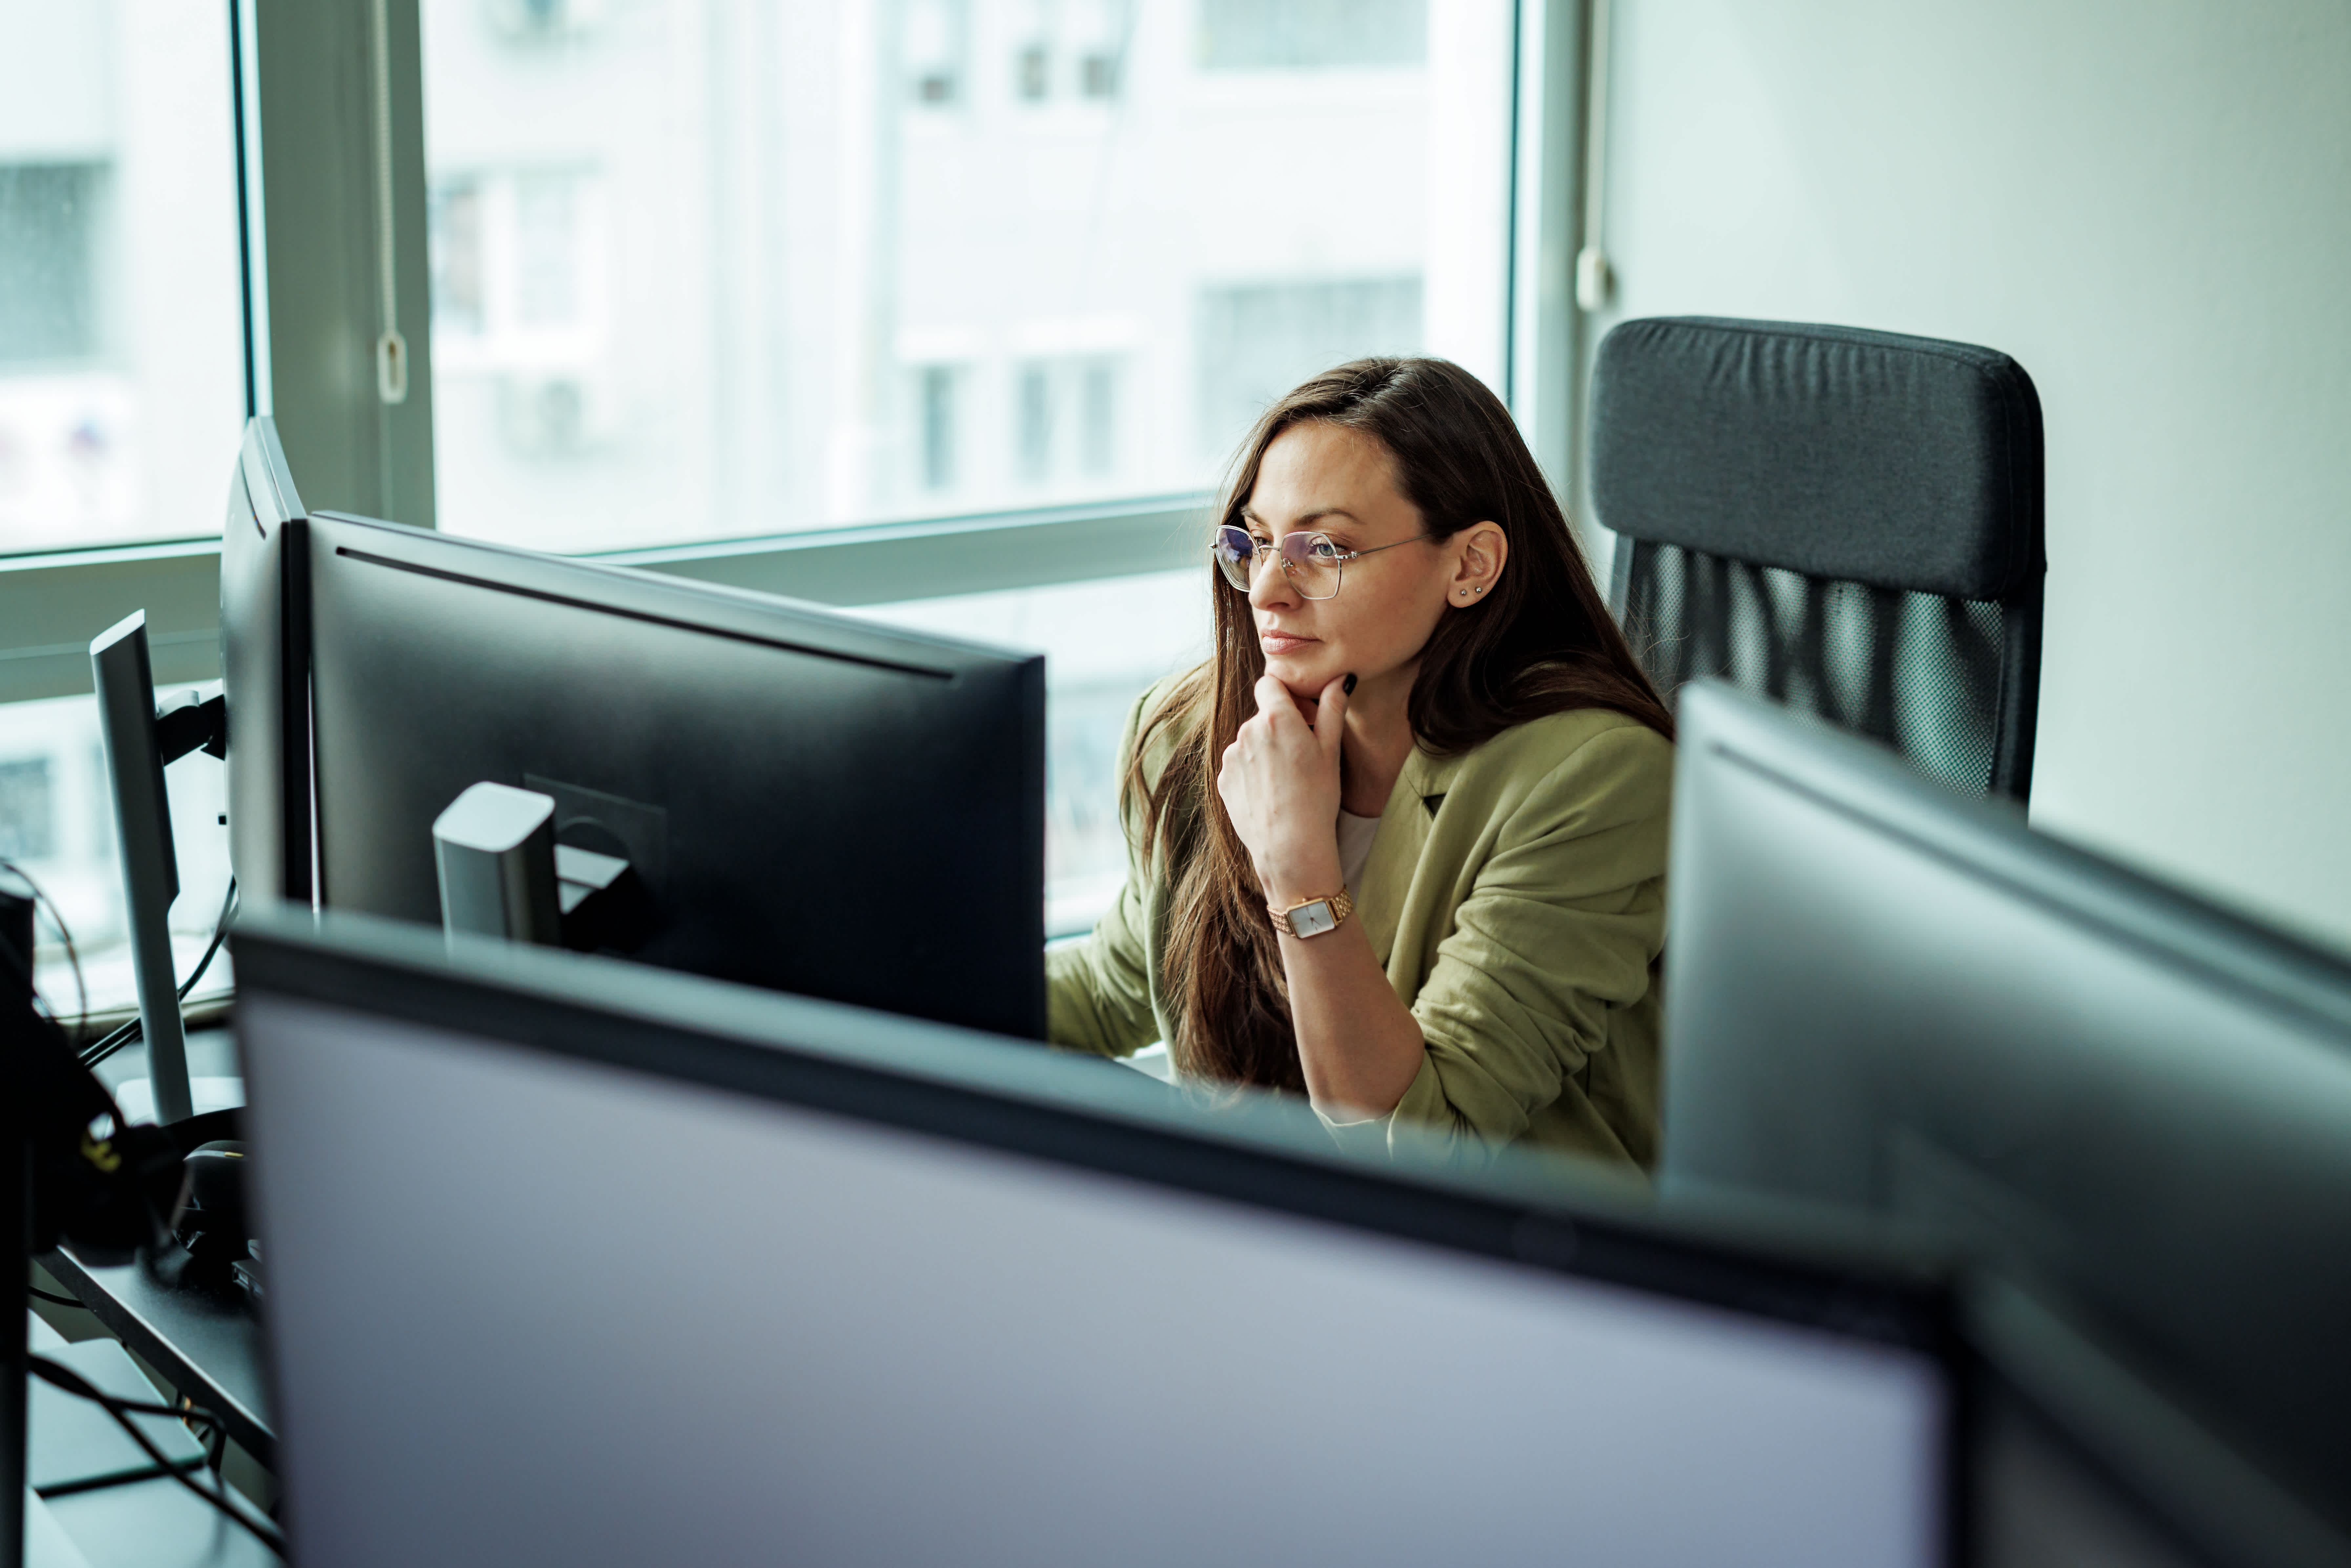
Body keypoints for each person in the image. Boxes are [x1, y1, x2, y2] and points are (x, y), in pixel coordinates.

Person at [1048, 358, 1675, 1169]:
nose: (1268, 589)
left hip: (1503, 1262)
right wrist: (872, 977)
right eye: (1259, 541)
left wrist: (1297, 865)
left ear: (1469, 565)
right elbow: (1114, 987)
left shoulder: (1593, 780)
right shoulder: (1195, 734)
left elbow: (1424, 1140)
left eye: (1326, 547)